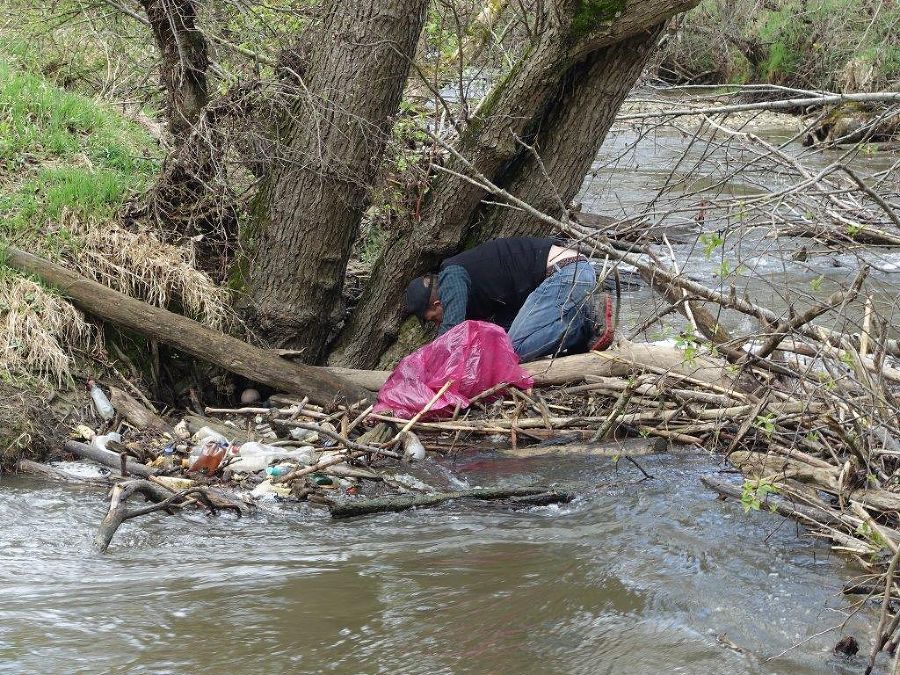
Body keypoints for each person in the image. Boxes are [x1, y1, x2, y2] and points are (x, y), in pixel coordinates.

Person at [403, 236, 608, 362]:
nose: (436, 323)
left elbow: (452, 329)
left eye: (433, 318)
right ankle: (583, 331)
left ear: (438, 303)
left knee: (512, 351)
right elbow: (503, 330)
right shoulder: (482, 290)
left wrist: (429, 362)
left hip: (567, 273)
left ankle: (585, 321)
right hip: (574, 274)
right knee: (507, 348)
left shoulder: (451, 275)